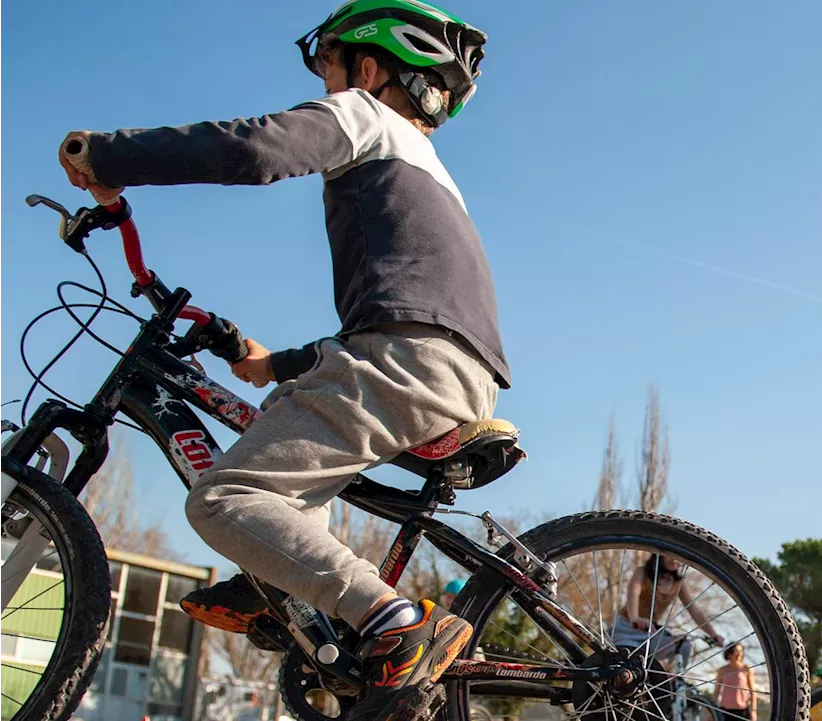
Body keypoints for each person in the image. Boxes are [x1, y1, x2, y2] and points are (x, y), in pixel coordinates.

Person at [58, 3, 502, 718]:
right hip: (448, 363)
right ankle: (283, 576)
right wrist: (273, 363)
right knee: (282, 429)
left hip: (404, 357)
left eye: (328, 64)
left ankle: (396, 621)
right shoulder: (431, 172)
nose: (326, 84)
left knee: (226, 497)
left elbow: (254, 148)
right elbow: (405, 309)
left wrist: (109, 156)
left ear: (368, 66)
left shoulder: (364, 115)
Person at [611, 554, 725, 670]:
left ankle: (675, 683)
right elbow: (633, 592)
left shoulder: (678, 584)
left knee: (683, 646)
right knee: (629, 660)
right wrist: (635, 618)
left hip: (650, 632)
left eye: (680, 558)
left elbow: (694, 610)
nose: (675, 560)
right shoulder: (642, 572)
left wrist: (713, 634)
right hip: (627, 627)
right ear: (661, 554)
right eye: (671, 555)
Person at [714, 643, 757, 720]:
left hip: (742, 710)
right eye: (736, 651)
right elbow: (717, 691)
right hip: (725, 710)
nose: (739, 654)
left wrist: (753, 711)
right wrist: (712, 711)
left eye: (741, 651)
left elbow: (752, 691)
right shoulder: (722, 670)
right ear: (729, 653)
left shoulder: (747, 669)